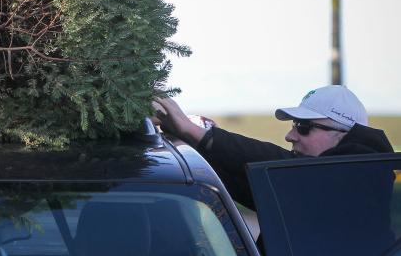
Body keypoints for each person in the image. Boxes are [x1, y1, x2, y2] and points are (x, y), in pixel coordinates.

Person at [153, 85, 394, 211]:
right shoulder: (307, 187)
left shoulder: (358, 178)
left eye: (303, 127)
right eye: (293, 125)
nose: (290, 136)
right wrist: (188, 140)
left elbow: (280, 165)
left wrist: (196, 132)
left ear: (342, 135)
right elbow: (236, 181)